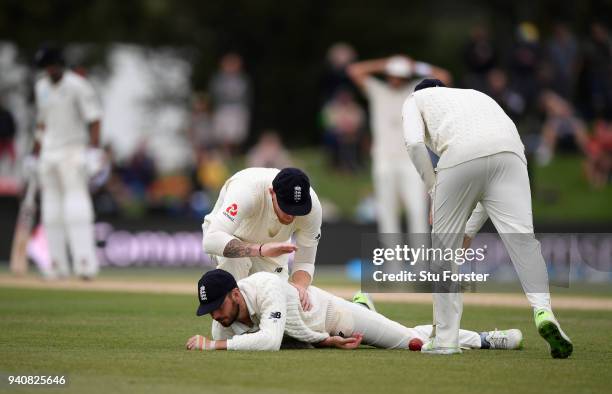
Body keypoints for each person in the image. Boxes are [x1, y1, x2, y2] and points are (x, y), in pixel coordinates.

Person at [401, 78, 573, 358]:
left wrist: (434, 189)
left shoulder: (415, 100)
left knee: (442, 252)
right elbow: (484, 190)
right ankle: (543, 310)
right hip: (511, 152)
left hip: (460, 152)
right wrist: (466, 232)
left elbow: (414, 144)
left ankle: (445, 339)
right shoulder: (473, 95)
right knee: (523, 241)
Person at [185, 269, 523, 351]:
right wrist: (323, 342)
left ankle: (485, 338)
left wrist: (214, 346)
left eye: (218, 306)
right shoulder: (224, 322)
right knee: (410, 338)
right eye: (210, 310)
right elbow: (291, 337)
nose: (215, 316)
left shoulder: (266, 286)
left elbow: (272, 340)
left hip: (335, 317)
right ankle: (367, 306)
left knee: (412, 343)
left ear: (235, 293)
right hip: (322, 333)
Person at [347, 55, 451, 238]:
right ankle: (392, 265)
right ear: (388, 75)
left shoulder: (416, 91)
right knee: (387, 213)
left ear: (406, 76)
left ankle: (420, 265)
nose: (395, 79)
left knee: (417, 211)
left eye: (399, 75)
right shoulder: (378, 90)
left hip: (412, 160)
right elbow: (354, 70)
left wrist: (417, 65)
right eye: (392, 75)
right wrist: (383, 64)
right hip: (383, 159)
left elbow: (445, 77)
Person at [202, 167, 322, 313]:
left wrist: (300, 288)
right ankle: (234, 323)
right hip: (230, 238)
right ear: (271, 192)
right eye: (286, 207)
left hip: (271, 256)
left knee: (281, 309)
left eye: (298, 210)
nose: (291, 215)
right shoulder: (247, 190)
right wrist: (260, 249)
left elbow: (305, 261)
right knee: (236, 261)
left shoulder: (313, 208)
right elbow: (212, 239)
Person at [33, 45, 104, 280]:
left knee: (76, 205)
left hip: (73, 150)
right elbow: (42, 123)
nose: (49, 71)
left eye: (51, 66)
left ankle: (85, 263)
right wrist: (34, 153)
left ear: (60, 65)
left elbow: (94, 119)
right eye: (45, 67)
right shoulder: (41, 86)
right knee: (50, 209)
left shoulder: (77, 86)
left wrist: (93, 152)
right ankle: (56, 264)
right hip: (49, 153)